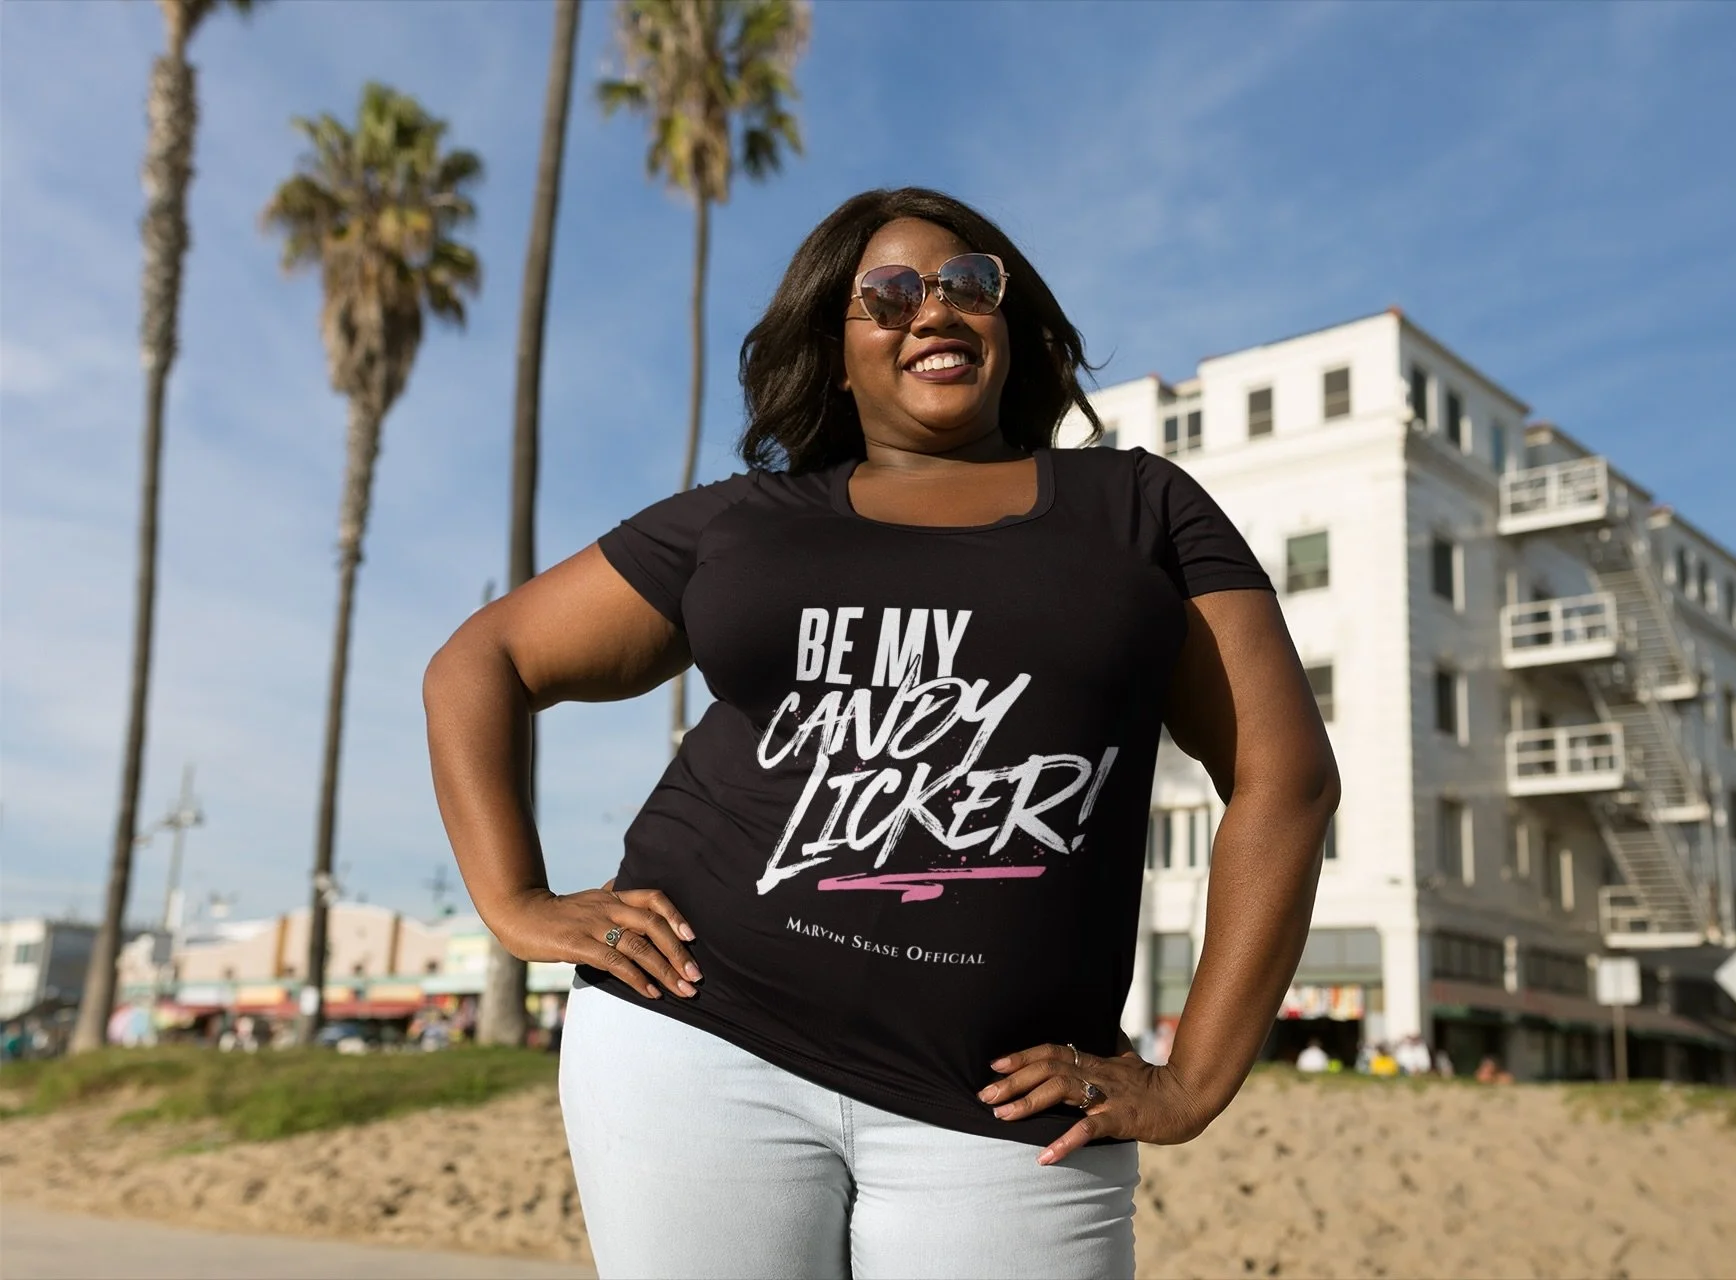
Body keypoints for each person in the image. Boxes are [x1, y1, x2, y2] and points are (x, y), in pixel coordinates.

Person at [424, 187, 1339, 1280]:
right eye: (890, 294)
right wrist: (516, 901)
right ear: (838, 344)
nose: (934, 310)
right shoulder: (743, 520)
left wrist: (1192, 1078)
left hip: (1007, 1100)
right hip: (696, 1047)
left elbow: (1284, 781)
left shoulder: (1140, 508)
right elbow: (480, 661)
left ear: (1013, 320)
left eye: (969, 284)